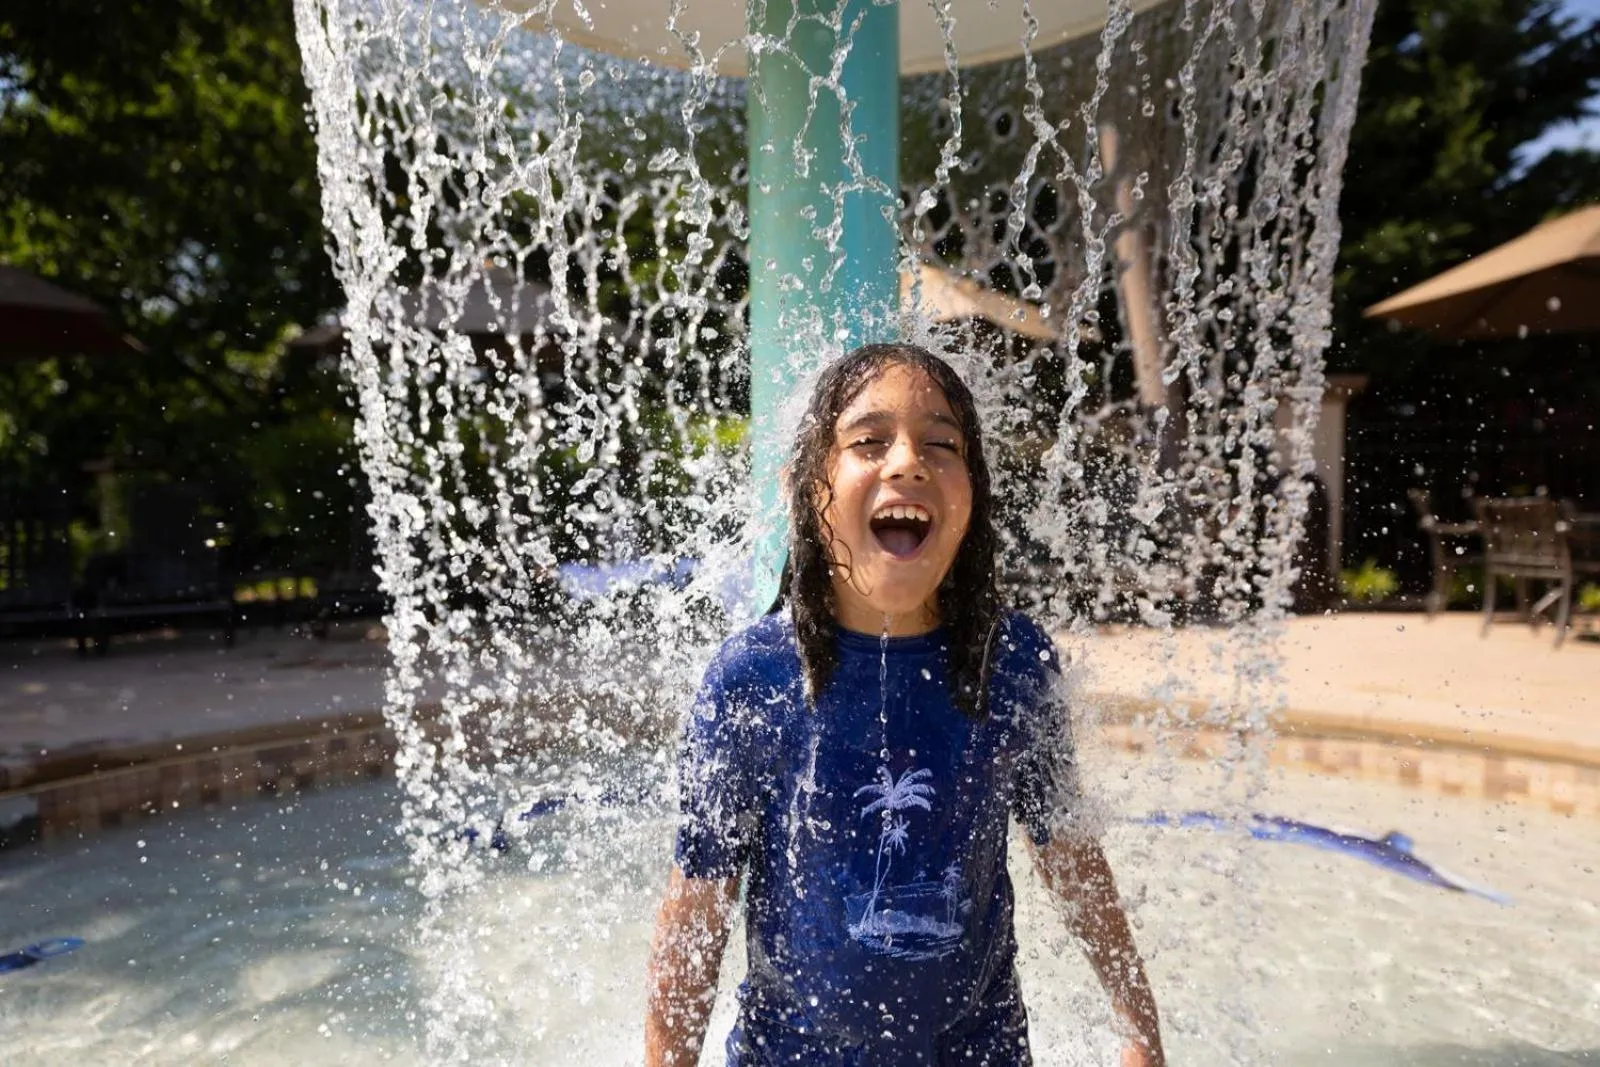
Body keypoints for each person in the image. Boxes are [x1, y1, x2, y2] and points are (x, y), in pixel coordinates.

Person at [644, 343, 1164, 1066]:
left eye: (942, 444)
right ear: (806, 486)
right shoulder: (753, 677)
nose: (908, 462)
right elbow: (696, 911)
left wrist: (1139, 1025)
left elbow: (1070, 852)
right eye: (868, 441)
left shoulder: (1009, 663)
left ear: (973, 494)